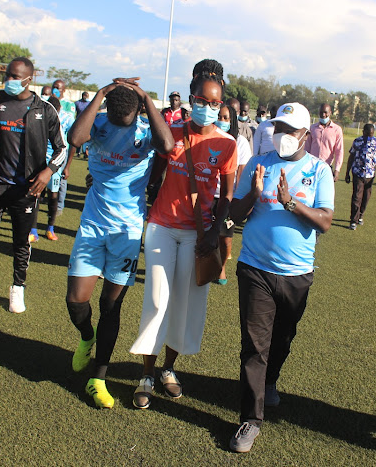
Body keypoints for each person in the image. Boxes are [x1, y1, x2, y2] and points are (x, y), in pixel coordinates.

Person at [129, 59, 237, 409]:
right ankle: (146, 372)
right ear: (191, 99)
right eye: (202, 101)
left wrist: (213, 234)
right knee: (158, 300)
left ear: (222, 104)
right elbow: (154, 176)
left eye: (215, 103)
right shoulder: (172, 133)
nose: (208, 108)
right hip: (162, 227)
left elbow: (227, 197)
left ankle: (168, 370)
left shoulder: (228, 145)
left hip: (198, 235)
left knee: (185, 305)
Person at [227, 102, 334, 453]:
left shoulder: (319, 171)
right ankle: (250, 420)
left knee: (282, 339)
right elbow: (235, 214)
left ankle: (270, 381)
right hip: (255, 269)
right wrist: (255, 195)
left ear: (305, 134)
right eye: (278, 128)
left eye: (289, 130)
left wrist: (291, 203)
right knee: (254, 345)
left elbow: (325, 222)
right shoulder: (258, 164)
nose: (281, 136)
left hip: (296, 274)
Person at [64, 78, 173, 409]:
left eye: (124, 119)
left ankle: (98, 379)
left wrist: (145, 98)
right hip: (93, 226)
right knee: (75, 300)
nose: (117, 125)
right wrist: (100, 95)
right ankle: (86, 337)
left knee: (111, 306)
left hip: (126, 231)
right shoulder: (98, 122)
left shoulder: (145, 131)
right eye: (112, 116)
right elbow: (74, 138)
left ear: (138, 112)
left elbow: (167, 146)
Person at [0, 57, 66, 313]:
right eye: (8, 75)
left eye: (15, 76)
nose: (9, 80)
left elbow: (62, 148)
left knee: (21, 242)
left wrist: (47, 172)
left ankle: (17, 288)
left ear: (28, 79)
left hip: (27, 189)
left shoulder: (44, 109)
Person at [28, 96, 76, 242]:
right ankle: (33, 230)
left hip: (56, 162)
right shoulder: (38, 116)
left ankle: (50, 228)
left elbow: (73, 142)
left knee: (53, 196)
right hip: (38, 161)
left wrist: (67, 166)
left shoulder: (67, 119)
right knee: (35, 195)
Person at [214, 104, 251, 285]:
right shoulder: (209, 137)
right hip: (207, 195)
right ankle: (201, 266)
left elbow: (241, 175)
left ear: (232, 121)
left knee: (225, 239)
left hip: (227, 197)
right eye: (219, 117)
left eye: (226, 118)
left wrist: (236, 200)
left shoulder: (241, 142)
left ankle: (221, 268)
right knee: (201, 235)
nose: (221, 121)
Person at [345, 123, 376, 229]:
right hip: (358, 173)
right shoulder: (357, 141)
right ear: (363, 132)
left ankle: (360, 215)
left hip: (370, 175)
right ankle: (353, 220)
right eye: (367, 134)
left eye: (371, 135)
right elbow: (351, 156)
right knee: (357, 196)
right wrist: (347, 172)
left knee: (366, 197)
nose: (369, 137)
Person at [305, 103, 344, 182]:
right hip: (311, 166)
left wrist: (337, 170)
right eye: (321, 112)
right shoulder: (312, 128)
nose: (323, 115)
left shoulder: (336, 130)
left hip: (326, 167)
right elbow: (306, 148)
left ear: (330, 113)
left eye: (325, 112)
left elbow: (339, 151)